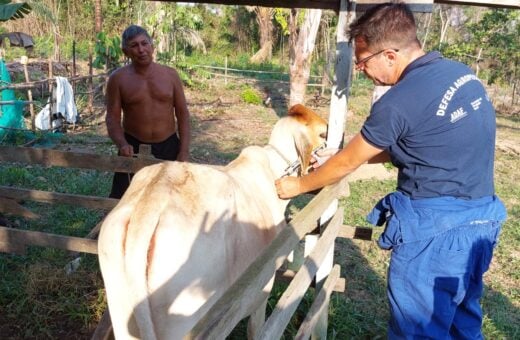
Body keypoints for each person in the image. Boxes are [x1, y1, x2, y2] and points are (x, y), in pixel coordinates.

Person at [275, 3, 506, 339]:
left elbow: (347, 164)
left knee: (419, 330)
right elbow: (419, 140)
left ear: (390, 55)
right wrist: (348, 154)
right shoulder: (460, 74)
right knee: (461, 321)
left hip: (434, 232)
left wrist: (298, 185)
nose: (361, 68)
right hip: (480, 220)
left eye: (363, 60)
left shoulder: (398, 101)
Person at [105, 25, 190, 199]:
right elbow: (112, 118)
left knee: (172, 198)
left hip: (169, 145)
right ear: (125, 51)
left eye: (145, 43)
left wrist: (183, 151)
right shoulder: (118, 79)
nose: (141, 49)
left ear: (152, 46)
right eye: (134, 45)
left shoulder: (170, 75)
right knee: (124, 199)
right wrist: (122, 144)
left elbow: (183, 115)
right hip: (132, 146)